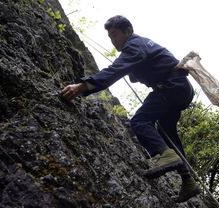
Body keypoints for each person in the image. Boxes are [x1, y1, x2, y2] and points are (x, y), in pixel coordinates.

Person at [60, 15, 201, 202]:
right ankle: (188, 180)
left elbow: (116, 70)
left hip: (170, 87)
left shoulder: (134, 44)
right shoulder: (141, 45)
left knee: (140, 121)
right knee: (166, 133)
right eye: (110, 37)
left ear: (128, 31)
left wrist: (81, 86)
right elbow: (138, 67)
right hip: (179, 89)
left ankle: (166, 157)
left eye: (115, 35)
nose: (113, 41)